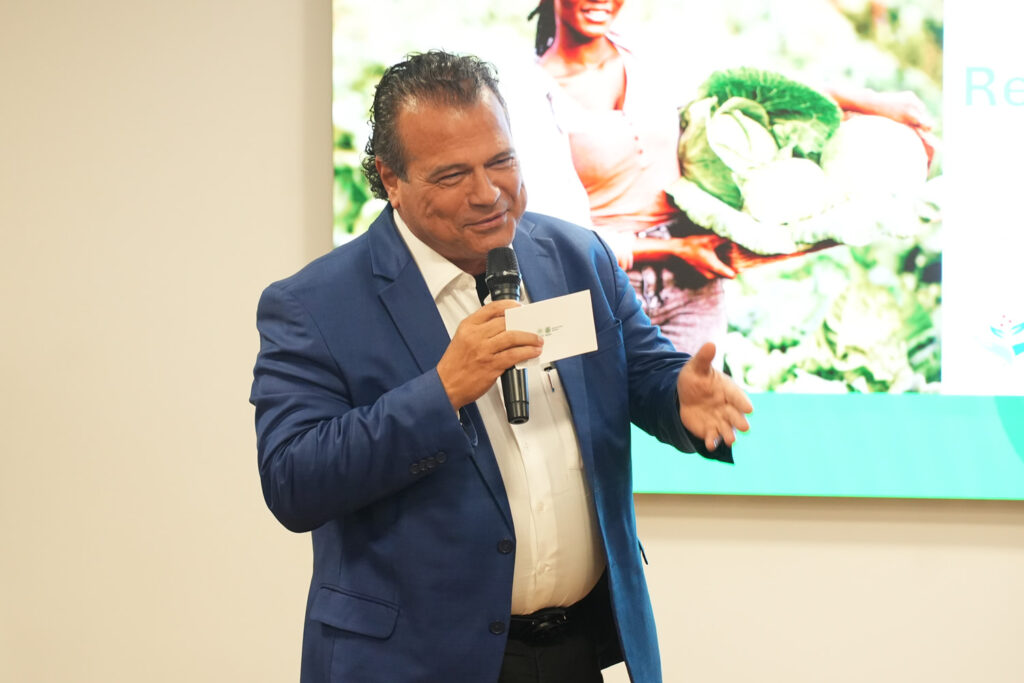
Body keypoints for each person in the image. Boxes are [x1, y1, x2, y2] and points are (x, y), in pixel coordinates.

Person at [250, 50, 752, 682]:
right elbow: (294, 482)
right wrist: (441, 393)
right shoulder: (315, 304)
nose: (488, 193)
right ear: (391, 178)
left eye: (501, 162)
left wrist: (678, 395)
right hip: (411, 664)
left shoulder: (575, 256)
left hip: (573, 650)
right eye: (452, 175)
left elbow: (642, 373)